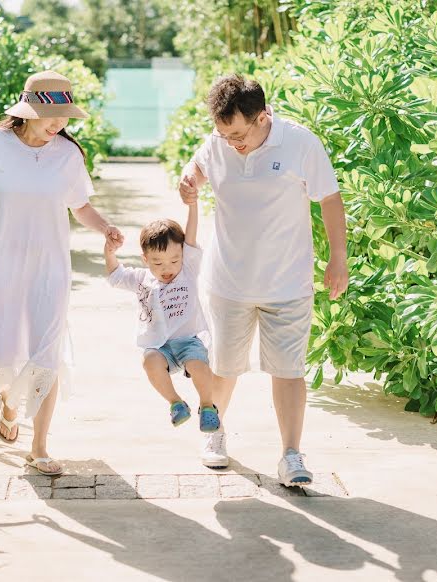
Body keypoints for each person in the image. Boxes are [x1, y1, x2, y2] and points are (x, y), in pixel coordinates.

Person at [0, 71, 123, 476]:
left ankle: (39, 447)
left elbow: (80, 206)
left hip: (50, 269)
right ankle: (9, 402)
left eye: (63, 116)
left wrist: (106, 227)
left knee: (47, 354)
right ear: (27, 112)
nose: (58, 124)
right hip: (1, 266)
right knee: (1, 354)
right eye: (50, 115)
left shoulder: (67, 155)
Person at [178, 74, 349, 486]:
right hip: (229, 282)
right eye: (223, 133)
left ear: (261, 117)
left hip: (287, 283)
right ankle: (215, 434)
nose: (231, 142)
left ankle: (291, 455)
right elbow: (198, 167)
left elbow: (329, 198)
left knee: (288, 371)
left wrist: (338, 257)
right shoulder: (218, 144)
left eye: (238, 133)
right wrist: (188, 181)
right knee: (223, 367)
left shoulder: (299, 143)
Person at [104, 201, 221, 433]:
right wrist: (109, 252)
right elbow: (115, 276)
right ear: (145, 260)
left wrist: (192, 205)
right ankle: (176, 403)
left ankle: (207, 406)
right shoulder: (141, 279)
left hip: (188, 340)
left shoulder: (187, 271)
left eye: (174, 261)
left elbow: (190, 239)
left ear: (183, 257)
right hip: (159, 346)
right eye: (157, 262)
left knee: (200, 367)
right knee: (149, 362)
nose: (167, 268)